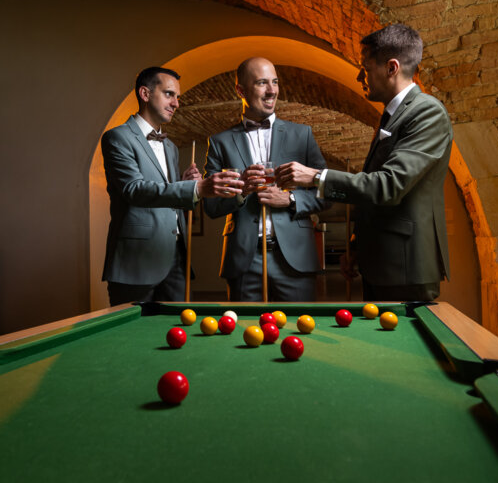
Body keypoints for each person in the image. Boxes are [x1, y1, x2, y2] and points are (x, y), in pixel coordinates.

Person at [276, 24, 451, 301]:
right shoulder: (391, 116)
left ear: (392, 68)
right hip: (379, 264)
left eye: (365, 67)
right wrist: (357, 245)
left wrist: (315, 177)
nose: (359, 76)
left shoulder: (427, 112)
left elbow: (388, 186)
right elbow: (374, 197)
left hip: (406, 268)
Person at [102, 67, 243, 306]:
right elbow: (134, 190)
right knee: (134, 338)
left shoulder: (171, 147)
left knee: (176, 333)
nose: (176, 103)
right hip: (137, 261)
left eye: (177, 97)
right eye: (169, 94)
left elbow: (165, 196)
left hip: (176, 260)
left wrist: (183, 185)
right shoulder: (117, 137)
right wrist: (197, 189)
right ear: (145, 94)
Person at [203, 57, 329, 301]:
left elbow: (327, 191)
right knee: (244, 334)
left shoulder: (302, 135)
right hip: (242, 260)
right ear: (241, 90)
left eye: (275, 82)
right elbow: (210, 206)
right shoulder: (219, 142)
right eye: (262, 83)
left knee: (297, 333)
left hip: (295, 258)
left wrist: (291, 199)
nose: (272, 91)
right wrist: (241, 191)